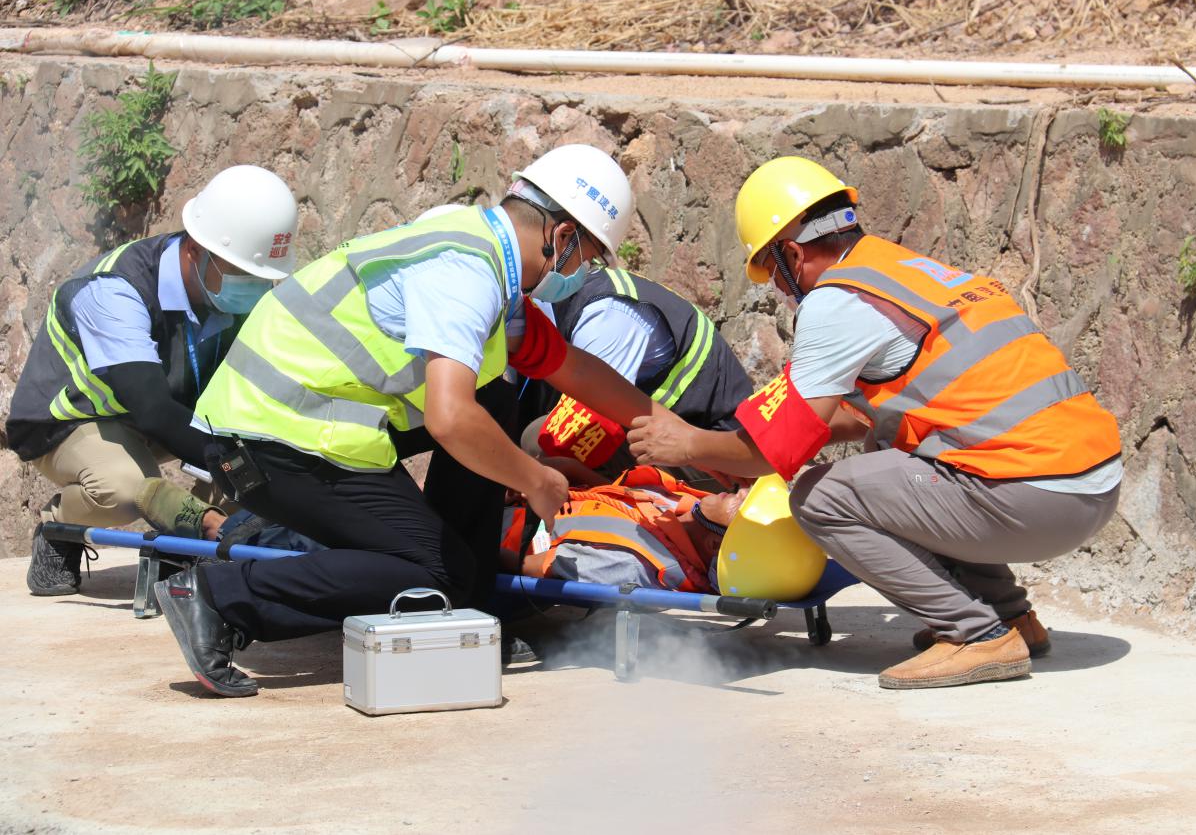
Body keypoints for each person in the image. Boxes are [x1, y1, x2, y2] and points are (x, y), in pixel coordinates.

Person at [152, 144, 675, 697]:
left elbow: (570, 368)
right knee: (432, 574)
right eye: (588, 256)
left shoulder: (481, 253)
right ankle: (218, 598)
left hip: (305, 426)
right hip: (269, 440)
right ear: (563, 236)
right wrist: (536, 479)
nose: (584, 272)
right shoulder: (465, 272)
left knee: (492, 404)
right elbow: (449, 419)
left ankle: (469, 609)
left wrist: (676, 434)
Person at [628, 156, 1123, 690]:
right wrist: (802, 428)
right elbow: (863, 418)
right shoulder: (912, 273)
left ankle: (975, 634)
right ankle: (1014, 619)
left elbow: (773, 455)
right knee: (892, 451)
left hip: (1039, 496)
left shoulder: (837, 301)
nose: (777, 287)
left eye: (771, 271)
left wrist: (688, 446)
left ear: (791, 252)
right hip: (1089, 485)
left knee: (820, 496)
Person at [8, 165, 299, 596]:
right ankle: (57, 527)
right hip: (72, 421)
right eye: (243, 274)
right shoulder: (113, 290)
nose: (253, 287)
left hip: (159, 416)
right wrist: (232, 474)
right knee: (124, 488)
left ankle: (191, 549)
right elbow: (152, 409)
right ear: (195, 250)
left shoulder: (223, 291)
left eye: (261, 278)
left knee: (260, 455)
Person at [516, 265, 753, 483]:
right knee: (539, 439)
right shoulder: (579, 291)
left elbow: (592, 409)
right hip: (686, 430)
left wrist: (540, 477)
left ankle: (618, 508)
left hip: (717, 461)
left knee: (542, 446)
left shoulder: (601, 319)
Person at [501, 467, 825, 601]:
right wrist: (532, 475)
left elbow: (523, 567)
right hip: (534, 494)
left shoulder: (632, 566)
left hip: (507, 532)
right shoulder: (686, 511)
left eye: (741, 506)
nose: (741, 492)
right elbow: (609, 490)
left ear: (716, 544)